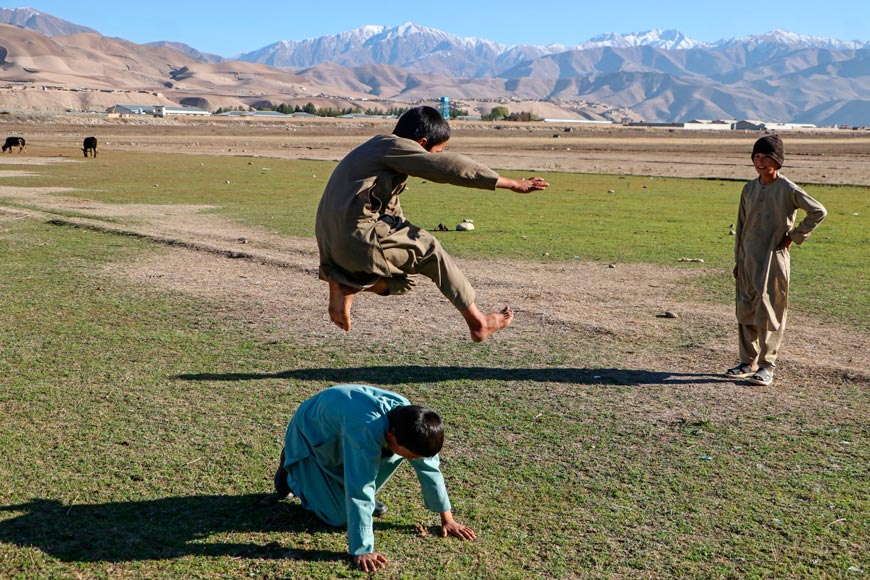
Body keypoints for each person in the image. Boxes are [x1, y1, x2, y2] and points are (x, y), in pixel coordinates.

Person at [315, 105, 549, 342]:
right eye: (435, 151)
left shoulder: (376, 150)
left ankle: (345, 283)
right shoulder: (395, 147)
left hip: (331, 241)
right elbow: (449, 167)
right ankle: (479, 322)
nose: (435, 156)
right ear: (422, 142)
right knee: (431, 251)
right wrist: (511, 183)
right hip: (356, 236)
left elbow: (390, 211)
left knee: (405, 281)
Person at [268, 384, 475, 572]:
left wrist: (447, 519)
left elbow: (429, 469)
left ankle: (353, 505)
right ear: (392, 436)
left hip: (342, 436)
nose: (414, 460)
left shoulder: (409, 420)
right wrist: (362, 548)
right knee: (338, 517)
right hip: (309, 438)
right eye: (413, 455)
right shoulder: (366, 427)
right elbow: (360, 486)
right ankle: (292, 476)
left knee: (392, 456)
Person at [724, 134, 827, 386]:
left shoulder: (787, 189)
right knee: (745, 309)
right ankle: (747, 362)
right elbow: (741, 225)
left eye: (766, 157)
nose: (759, 162)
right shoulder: (748, 188)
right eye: (756, 157)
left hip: (774, 259)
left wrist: (795, 235)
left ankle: (767, 366)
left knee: (771, 311)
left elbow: (818, 210)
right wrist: (738, 259)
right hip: (747, 259)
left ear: (777, 161)